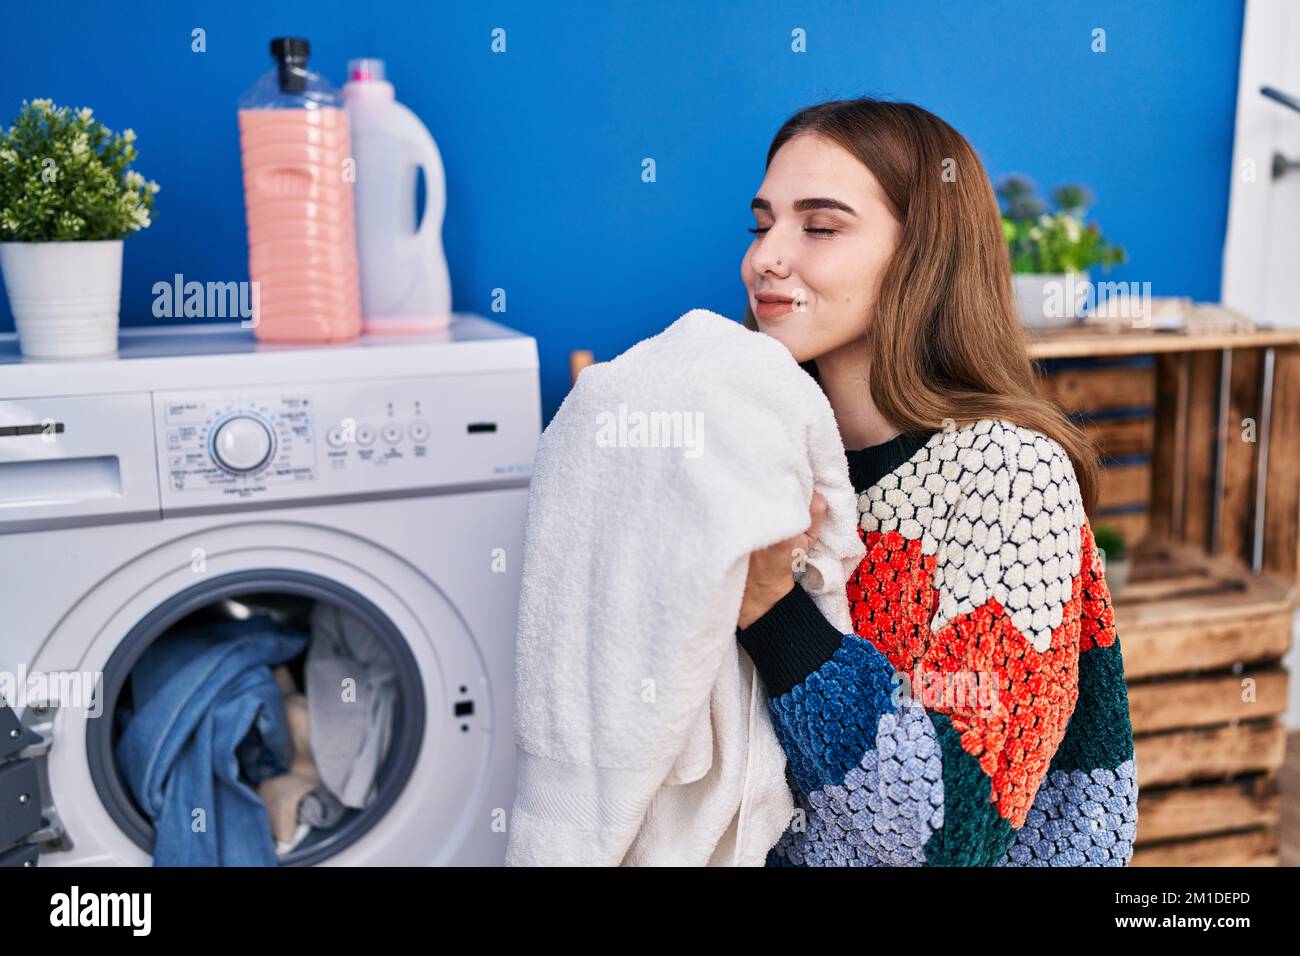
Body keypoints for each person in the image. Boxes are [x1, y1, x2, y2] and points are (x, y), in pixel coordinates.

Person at [735, 98, 1138, 866]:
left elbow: (949, 826)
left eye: (818, 226)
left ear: (925, 254)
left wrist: (774, 610)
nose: (766, 258)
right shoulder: (758, 459)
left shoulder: (1010, 478)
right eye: (761, 225)